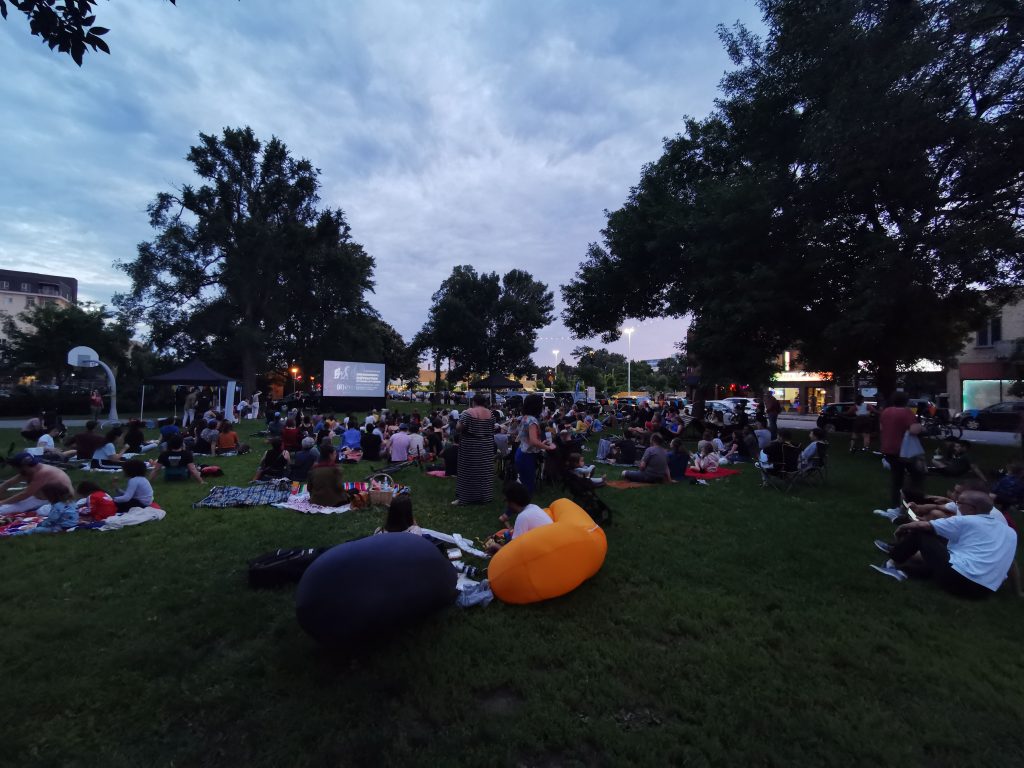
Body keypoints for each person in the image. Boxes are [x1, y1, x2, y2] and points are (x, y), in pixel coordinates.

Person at [871, 491, 1017, 598]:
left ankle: (893, 562)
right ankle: (905, 572)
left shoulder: (968, 521)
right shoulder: (1010, 533)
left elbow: (924, 526)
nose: (957, 506)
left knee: (922, 535)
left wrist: (902, 528)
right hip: (983, 592)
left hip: (957, 580)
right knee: (949, 557)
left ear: (972, 508)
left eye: (960, 503)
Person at [877, 391, 925, 517]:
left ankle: (895, 505)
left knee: (896, 478)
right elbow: (914, 430)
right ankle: (912, 502)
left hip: (888, 449)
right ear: (906, 401)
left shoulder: (885, 412)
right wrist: (921, 427)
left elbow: (881, 428)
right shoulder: (907, 413)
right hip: (904, 450)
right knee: (916, 475)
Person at [454, 393, 498, 506]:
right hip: (486, 446)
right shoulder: (491, 414)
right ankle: (484, 496)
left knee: (468, 471)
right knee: (484, 471)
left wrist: (458, 422)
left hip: (471, 446)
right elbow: (492, 428)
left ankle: (465, 498)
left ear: (474, 401)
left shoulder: (468, 413)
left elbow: (459, 428)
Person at [485, 482, 553, 553]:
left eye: (507, 501)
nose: (507, 505)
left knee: (501, 539)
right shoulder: (533, 507)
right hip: (550, 545)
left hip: (544, 553)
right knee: (505, 533)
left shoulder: (523, 517)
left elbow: (514, 552)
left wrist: (496, 546)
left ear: (512, 502)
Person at [0, 453, 75, 514]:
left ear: (22, 467)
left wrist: (2, 502)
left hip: (60, 501)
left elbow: (26, 494)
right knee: (7, 507)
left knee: (5, 509)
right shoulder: (31, 469)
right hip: (42, 498)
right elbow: (8, 483)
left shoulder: (43, 473)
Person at [511, 393, 556, 497]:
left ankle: (515, 507)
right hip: (527, 456)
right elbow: (533, 441)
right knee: (528, 487)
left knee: (522, 483)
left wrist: (541, 443)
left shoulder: (525, 418)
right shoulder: (533, 421)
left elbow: (527, 439)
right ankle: (519, 509)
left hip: (521, 452)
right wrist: (548, 447)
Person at [10, 482, 79, 535]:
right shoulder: (71, 502)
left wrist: (39, 525)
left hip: (61, 528)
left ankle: (17, 534)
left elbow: (52, 520)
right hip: (73, 524)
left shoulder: (57, 506)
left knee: (35, 530)